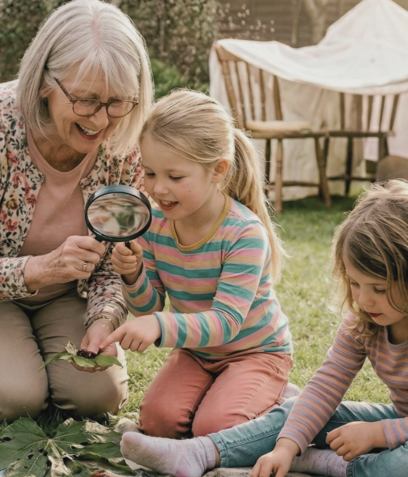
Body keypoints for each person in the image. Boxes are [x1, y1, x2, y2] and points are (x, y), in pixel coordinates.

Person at [120, 181, 408, 477]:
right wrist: (287, 446)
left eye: (377, 287)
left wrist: (376, 436)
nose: (363, 299)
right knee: (296, 411)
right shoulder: (368, 319)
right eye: (355, 284)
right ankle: (200, 452)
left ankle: (327, 464)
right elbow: (326, 385)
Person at [0, 0, 153, 422]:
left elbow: (116, 260)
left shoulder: (127, 143)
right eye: (86, 101)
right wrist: (43, 268)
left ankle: (22, 348)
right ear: (45, 81)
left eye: (118, 102)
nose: (102, 121)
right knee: (14, 399)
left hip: (68, 294)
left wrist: (103, 318)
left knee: (97, 399)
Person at [102, 90, 294, 438]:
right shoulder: (155, 224)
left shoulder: (243, 234)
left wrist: (160, 325)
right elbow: (149, 306)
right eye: (150, 173)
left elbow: (226, 323)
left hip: (255, 353)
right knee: (158, 423)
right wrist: (133, 275)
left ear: (217, 170)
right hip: (196, 353)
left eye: (175, 177)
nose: (159, 189)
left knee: (217, 428)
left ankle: (287, 409)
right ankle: (227, 396)